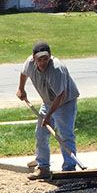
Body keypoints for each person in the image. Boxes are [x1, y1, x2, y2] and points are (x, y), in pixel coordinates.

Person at [16, 40, 80, 180]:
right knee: (41, 133)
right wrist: (21, 88)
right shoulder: (29, 63)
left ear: (50, 57)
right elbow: (23, 73)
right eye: (40, 59)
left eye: (46, 59)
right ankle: (43, 167)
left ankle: (69, 169)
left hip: (65, 102)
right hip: (48, 101)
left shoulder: (57, 69)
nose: (43, 62)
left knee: (65, 134)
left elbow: (61, 96)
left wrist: (48, 116)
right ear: (34, 59)